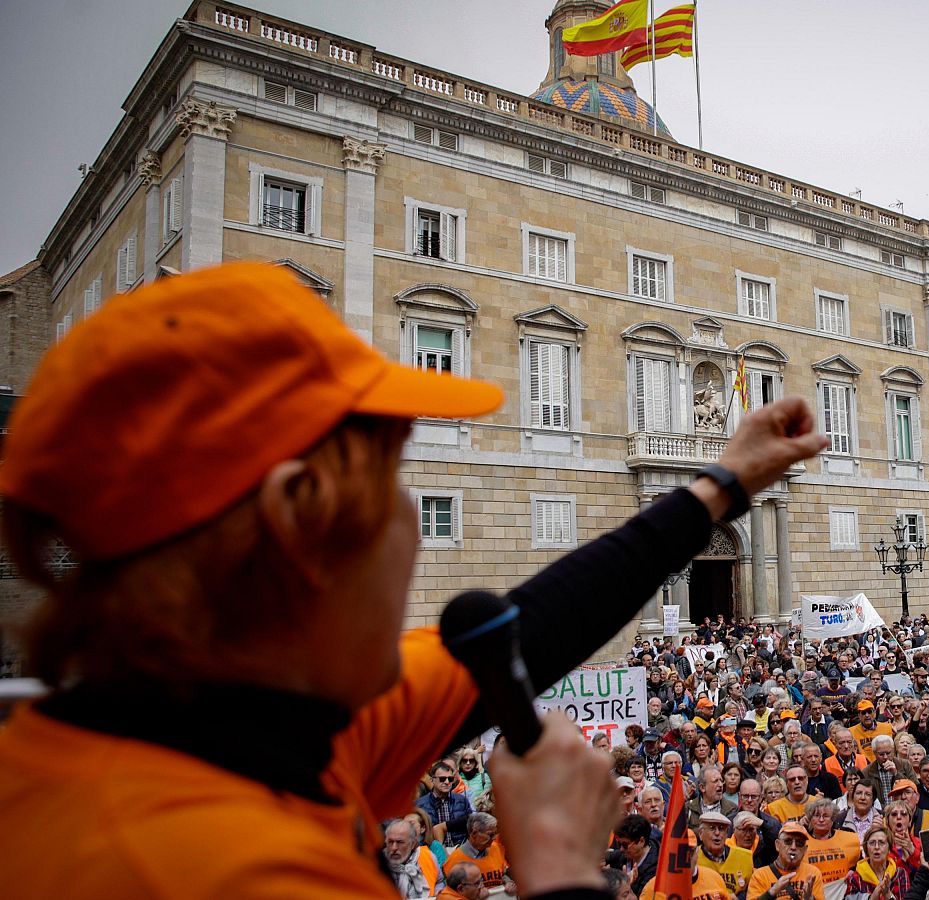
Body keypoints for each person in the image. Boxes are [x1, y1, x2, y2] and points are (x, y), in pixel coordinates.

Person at [0, 265, 826, 898]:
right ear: (302, 517)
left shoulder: (266, 722)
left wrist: (723, 484)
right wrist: (567, 870)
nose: (408, 523)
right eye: (392, 483)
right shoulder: (215, 870)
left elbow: (537, 624)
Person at [749, 821, 826, 900]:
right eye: (788, 841)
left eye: (799, 843)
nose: (793, 847)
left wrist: (810, 899)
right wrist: (772, 892)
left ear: (805, 850)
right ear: (778, 845)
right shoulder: (760, 876)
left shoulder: (812, 874)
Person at [444, 812, 511, 893]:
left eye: (495, 834)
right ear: (474, 834)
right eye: (490, 834)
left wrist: (508, 882)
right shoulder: (454, 861)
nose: (494, 838)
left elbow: (503, 874)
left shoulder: (496, 848)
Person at [843, 824, 912, 900]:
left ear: (889, 849)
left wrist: (888, 895)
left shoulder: (900, 874)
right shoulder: (855, 878)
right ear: (866, 848)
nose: (876, 847)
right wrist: (872, 897)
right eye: (872, 843)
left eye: (881, 842)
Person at [698, 810, 756, 900]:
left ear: (726, 834)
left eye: (721, 829)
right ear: (701, 834)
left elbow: (751, 892)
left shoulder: (745, 857)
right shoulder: (692, 858)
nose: (717, 833)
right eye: (712, 828)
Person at [385, 817, 443, 899]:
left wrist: (437, 894)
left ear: (413, 844)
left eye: (400, 842)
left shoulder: (428, 856)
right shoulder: (377, 863)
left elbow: (439, 881)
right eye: (390, 842)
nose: (394, 847)